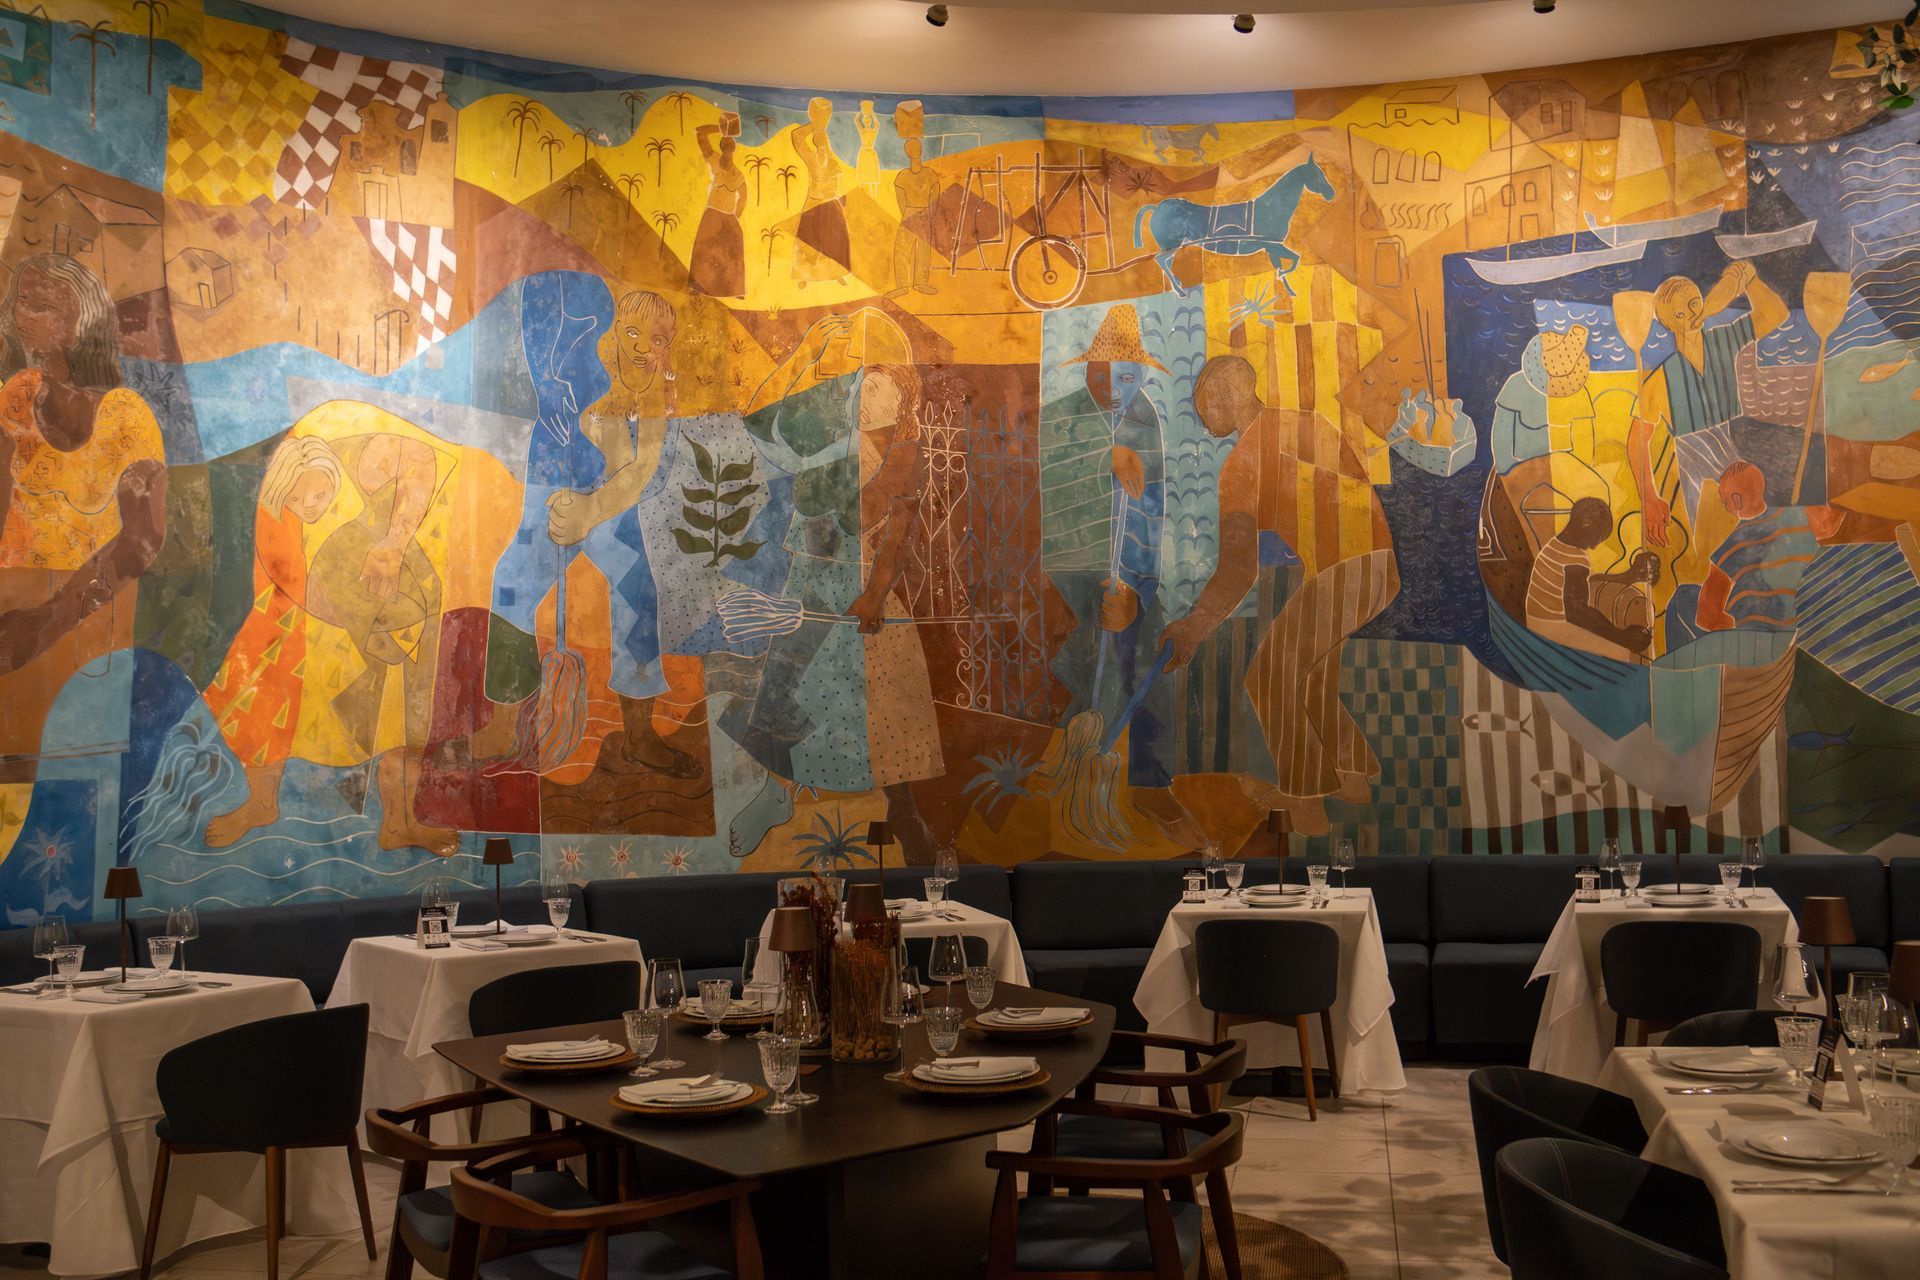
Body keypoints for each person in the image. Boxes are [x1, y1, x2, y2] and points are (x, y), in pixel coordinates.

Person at [1159, 351, 1395, 834]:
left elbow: (1238, 569)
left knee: (1269, 678)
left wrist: (1193, 628)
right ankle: (1352, 777)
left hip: (1343, 573)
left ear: (1230, 395)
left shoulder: (1243, 464)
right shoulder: (1307, 423)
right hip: (1377, 564)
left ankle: (1306, 802)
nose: (1204, 423)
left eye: (1206, 408)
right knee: (1310, 679)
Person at [201, 421, 457, 854]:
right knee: (260, 707)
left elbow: (422, 459)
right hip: (329, 619)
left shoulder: (361, 458)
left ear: (334, 479)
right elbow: (296, 586)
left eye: (319, 496)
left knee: (407, 722)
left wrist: (393, 544)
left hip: (402, 603)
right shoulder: (272, 518)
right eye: (297, 499)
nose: (310, 506)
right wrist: (363, 619)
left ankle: (399, 823)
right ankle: (262, 804)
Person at [1038, 304, 1181, 833]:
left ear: (1140, 374)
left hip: (1126, 565)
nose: (1112, 388)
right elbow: (1050, 476)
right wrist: (1107, 455)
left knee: (1150, 652)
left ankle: (1149, 784)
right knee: (1078, 658)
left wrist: (1138, 590)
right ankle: (1067, 770)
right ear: (1086, 373)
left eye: (1124, 377)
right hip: (1069, 563)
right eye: (1100, 376)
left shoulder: (1144, 417)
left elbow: (1151, 509)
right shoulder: (1062, 415)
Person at [0, 254, 167, 687]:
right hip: (11, 602)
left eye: (44, 306)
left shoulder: (127, 417)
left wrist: (48, 621)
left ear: (83, 323)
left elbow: (143, 539)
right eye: (21, 300)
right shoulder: (17, 394)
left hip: (88, 614)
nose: (23, 315)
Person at [1626, 263, 1787, 546]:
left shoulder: (1724, 340)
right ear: (1668, 324)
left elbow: (1776, 314)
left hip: (1740, 455)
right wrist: (1649, 498)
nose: (1690, 315)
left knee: (1758, 531)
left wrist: (1750, 279)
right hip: (1695, 469)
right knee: (1705, 546)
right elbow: (1637, 441)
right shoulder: (1661, 379)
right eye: (1679, 314)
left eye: (1693, 303)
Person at [1695, 461, 1840, 633]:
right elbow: (1834, 518)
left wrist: (1738, 630)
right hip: (1808, 626)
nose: (1726, 508)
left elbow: (1706, 616)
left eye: (1725, 502)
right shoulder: (1800, 514)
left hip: (1758, 635)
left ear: (1736, 500)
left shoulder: (1735, 544)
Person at [1523, 496, 1660, 660]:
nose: (1594, 546)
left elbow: (1589, 583)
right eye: (1597, 538)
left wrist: (1631, 576)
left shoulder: (1555, 546)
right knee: (1620, 652)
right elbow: (1578, 614)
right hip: (1550, 631)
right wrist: (1622, 637)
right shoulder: (1575, 558)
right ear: (1586, 524)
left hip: (1536, 624)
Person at [792, 98, 851, 287]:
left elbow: (837, 181)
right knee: (808, 242)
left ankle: (837, 273)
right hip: (814, 202)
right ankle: (805, 276)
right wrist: (815, 125)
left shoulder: (831, 160)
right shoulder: (812, 159)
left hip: (830, 203)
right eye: (820, 141)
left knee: (835, 242)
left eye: (824, 141)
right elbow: (797, 137)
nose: (823, 144)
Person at [690, 115, 747, 299]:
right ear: (722, 145)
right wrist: (721, 128)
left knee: (732, 249)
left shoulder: (738, 175)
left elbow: (744, 197)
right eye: (726, 142)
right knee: (705, 249)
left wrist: (735, 217)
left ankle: (734, 289)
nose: (729, 145)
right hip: (713, 213)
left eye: (731, 144)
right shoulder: (714, 160)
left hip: (728, 216)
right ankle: (699, 285)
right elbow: (700, 133)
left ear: (734, 148)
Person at [886, 136, 941, 298]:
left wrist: (917, 213)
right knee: (905, 249)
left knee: (916, 249)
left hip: (915, 213)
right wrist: (926, 213)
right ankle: (909, 285)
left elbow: (903, 200)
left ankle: (917, 283)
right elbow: (934, 195)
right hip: (916, 213)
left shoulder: (912, 176)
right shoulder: (907, 176)